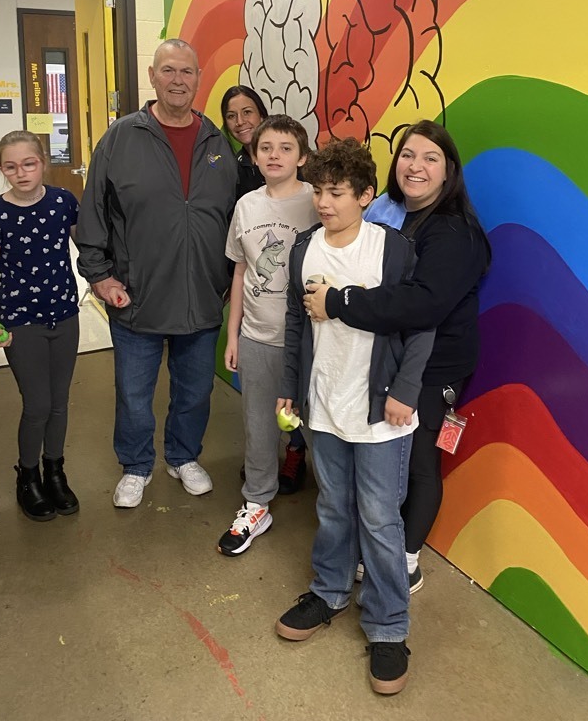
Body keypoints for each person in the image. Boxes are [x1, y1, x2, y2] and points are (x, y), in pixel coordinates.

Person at [275, 138, 435, 697]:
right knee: (333, 508)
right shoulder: (304, 249)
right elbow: (298, 326)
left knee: (380, 520)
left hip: (379, 414)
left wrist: (406, 391)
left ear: (365, 196)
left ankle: (389, 625)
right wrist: (290, 390)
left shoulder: (390, 250)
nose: (323, 202)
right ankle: (329, 591)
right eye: (318, 191)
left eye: (336, 193)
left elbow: (420, 324)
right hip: (323, 408)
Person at [304, 120, 491, 592]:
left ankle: (406, 561)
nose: (416, 166)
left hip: (434, 369)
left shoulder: (453, 233)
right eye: (408, 154)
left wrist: (339, 301)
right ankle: (380, 552)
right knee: (391, 471)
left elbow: (422, 304)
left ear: (449, 171)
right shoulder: (396, 217)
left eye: (431, 158)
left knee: (422, 463)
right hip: (393, 359)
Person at [76, 39, 237, 508]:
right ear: (152, 75)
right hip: (137, 295)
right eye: (169, 70)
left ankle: (183, 456)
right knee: (133, 393)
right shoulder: (121, 138)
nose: (178, 81)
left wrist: (226, 279)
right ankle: (136, 465)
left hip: (202, 298)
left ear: (198, 80)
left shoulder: (217, 144)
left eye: (187, 72)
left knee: (194, 392)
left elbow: (235, 220)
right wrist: (99, 276)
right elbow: (93, 216)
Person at [218, 115, 317, 557]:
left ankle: (341, 512)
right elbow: (240, 270)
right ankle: (258, 502)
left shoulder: (318, 201)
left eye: (285, 147)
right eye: (266, 148)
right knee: (258, 427)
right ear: (254, 156)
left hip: (310, 341)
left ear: (303, 156)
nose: (274, 155)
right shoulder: (246, 206)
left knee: (321, 429)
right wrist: (235, 333)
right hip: (257, 336)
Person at [0, 130, 80, 522]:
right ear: (2, 169)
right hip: (23, 322)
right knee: (37, 405)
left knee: (59, 402)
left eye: (29, 163)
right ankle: (27, 475)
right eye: (11, 167)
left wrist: (111, 282)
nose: (21, 173)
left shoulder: (63, 202)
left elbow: (87, 250)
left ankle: (55, 470)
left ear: (43, 164)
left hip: (65, 316)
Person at [220, 84, 269, 200]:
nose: (240, 121)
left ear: (261, 115)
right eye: (231, 116)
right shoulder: (233, 168)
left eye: (247, 112)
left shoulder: (286, 154)